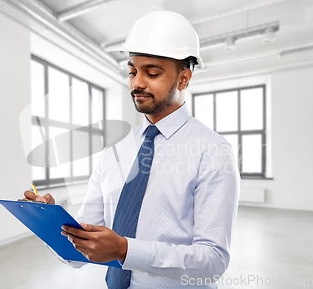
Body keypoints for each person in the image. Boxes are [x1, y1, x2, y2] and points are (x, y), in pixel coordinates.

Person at [24, 11, 240, 289]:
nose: (137, 82)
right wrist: (52, 225)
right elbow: (78, 250)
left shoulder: (213, 151)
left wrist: (125, 250)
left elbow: (212, 263)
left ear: (184, 79)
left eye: (152, 73)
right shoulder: (115, 150)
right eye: (132, 71)